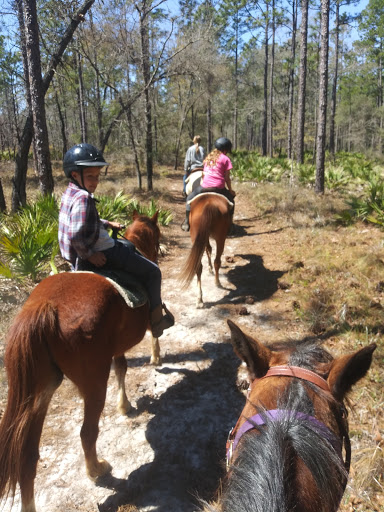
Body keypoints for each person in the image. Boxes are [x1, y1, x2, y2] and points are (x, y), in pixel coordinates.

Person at [58, 142, 174, 338]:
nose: (95, 181)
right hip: (100, 250)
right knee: (154, 272)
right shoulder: (84, 198)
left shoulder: (70, 194)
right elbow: (76, 234)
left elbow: (81, 221)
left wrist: (106, 223)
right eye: (90, 176)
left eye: (96, 176)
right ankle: (156, 320)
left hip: (73, 256)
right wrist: (91, 255)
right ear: (75, 175)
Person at [181, 137, 236, 232]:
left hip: (205, 187)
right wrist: (230, 190)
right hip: (219, 188)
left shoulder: (209, 157)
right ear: (225, 150)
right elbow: (227, 178)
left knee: (189, 199)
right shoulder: (226, 159)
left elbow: (204, 173)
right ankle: (230, 225)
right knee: (232, 202)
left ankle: (186, 222)